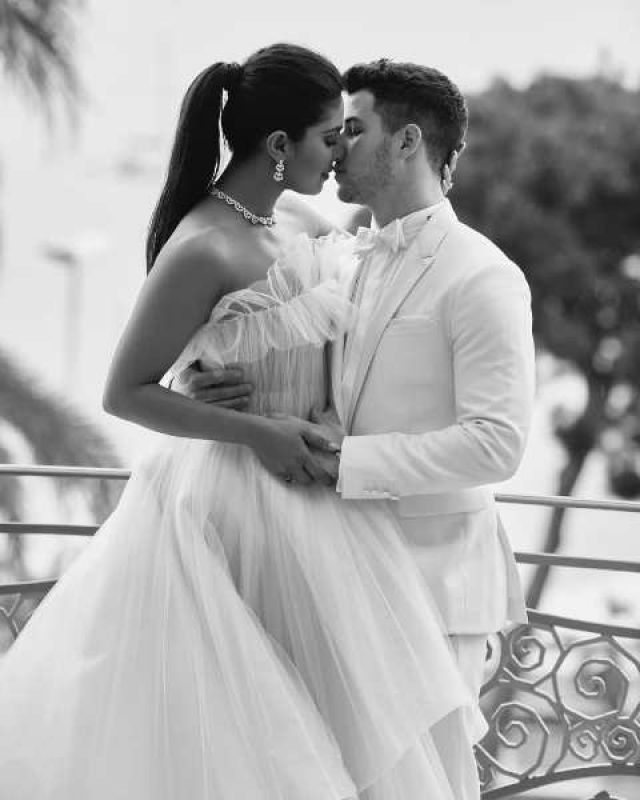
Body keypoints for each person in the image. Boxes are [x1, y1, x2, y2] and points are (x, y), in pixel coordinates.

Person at [0, 45, 476, 800]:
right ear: (281, 146)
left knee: (343, 729)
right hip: (228, 505)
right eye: (330, 137)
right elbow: (123, 392)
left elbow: (368, 281)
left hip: (317, 506)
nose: (341, 152)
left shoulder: (296, 216)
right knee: (241, 731)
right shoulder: (201, 246)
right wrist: (257, 429)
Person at [179, 59, 536, 800]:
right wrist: (206, 380)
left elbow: (496, 443)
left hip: (434, 582)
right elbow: (289, 352)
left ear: (407, 143)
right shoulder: (345, 254)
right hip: (335, 571)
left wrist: (346, 460)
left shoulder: (482, 274)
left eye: (355, 128)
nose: (336, 145)